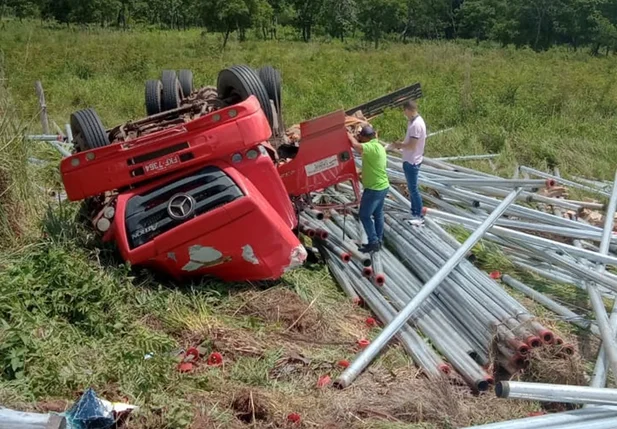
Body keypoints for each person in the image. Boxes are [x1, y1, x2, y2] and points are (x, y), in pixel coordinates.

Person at [348, 125, 389, 253]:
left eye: (361, 137)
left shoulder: (371, 147)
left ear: (365, 137)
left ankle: (373, 242)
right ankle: (379, 239)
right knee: (378, 214)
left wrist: (347, 135)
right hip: (382, 186)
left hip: (374, 188)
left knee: (364, 215)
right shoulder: (379, 146)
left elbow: (356, 146)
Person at [389, 100, 426, 226]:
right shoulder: (413, 122)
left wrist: (399, 145)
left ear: (408, 110)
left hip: (412, 161)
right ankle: (414, 211)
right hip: (410, 159)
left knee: (413, 189)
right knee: (411, 188)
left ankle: (419, 216)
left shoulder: (416, 125)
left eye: (404, 111)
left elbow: (411, 145)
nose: (404, 114)